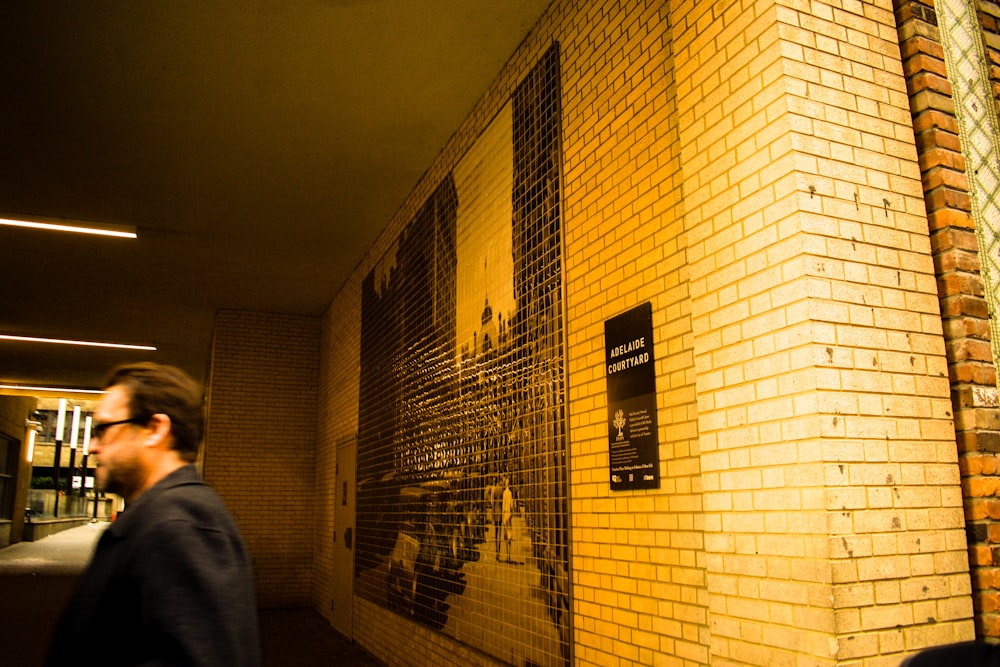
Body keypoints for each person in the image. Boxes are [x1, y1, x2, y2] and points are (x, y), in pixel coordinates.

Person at [47, 362, 261, 667]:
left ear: (154, 429)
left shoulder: (180, 527)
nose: (93, 447)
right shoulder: (163, 517)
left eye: (104, 429)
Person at [501, 477, 514, 562]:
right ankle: (509, 554)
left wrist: (502, 514)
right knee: (509, 532)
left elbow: (503, 503)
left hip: (505, 513)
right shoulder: (510, 493)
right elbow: (512, 504)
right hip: (509, 513)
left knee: (505, 533)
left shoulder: (504, 493)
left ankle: (506, 554)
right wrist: (512, 512)